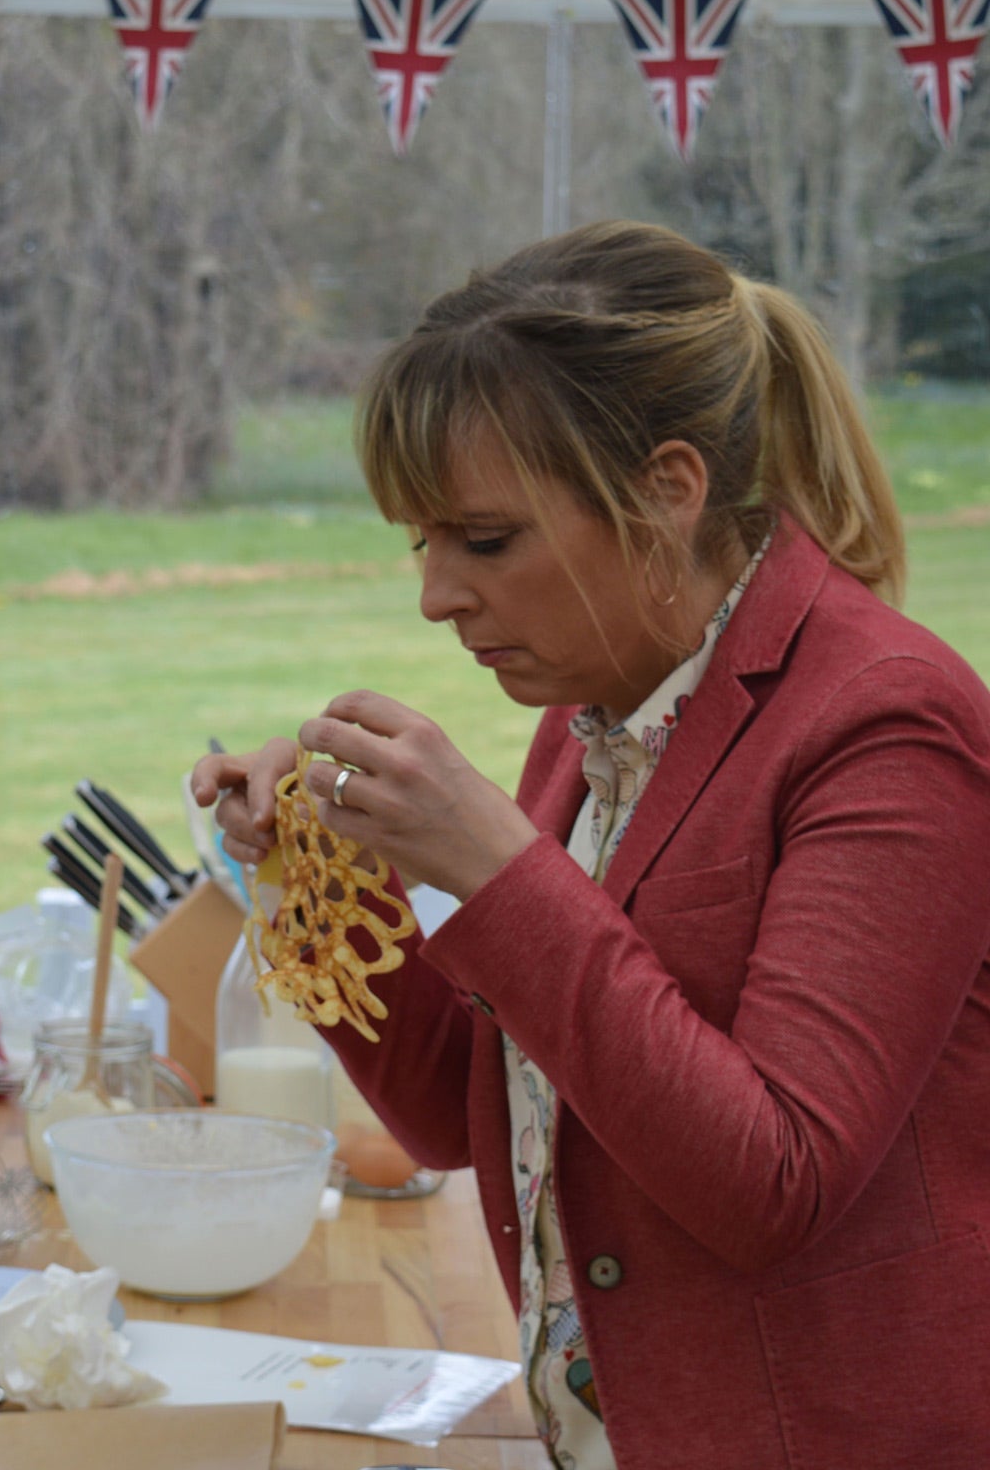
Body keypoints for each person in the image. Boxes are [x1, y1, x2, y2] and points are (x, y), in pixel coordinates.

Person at [193, 221, 990, 1470]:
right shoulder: (592, 720)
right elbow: (466, 1117)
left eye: (485, 539)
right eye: (422, 541)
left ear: (666, 489)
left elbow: (769, 1180)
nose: (435, 594)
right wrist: (323, 871)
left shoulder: (885, 722)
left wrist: (499, 873)